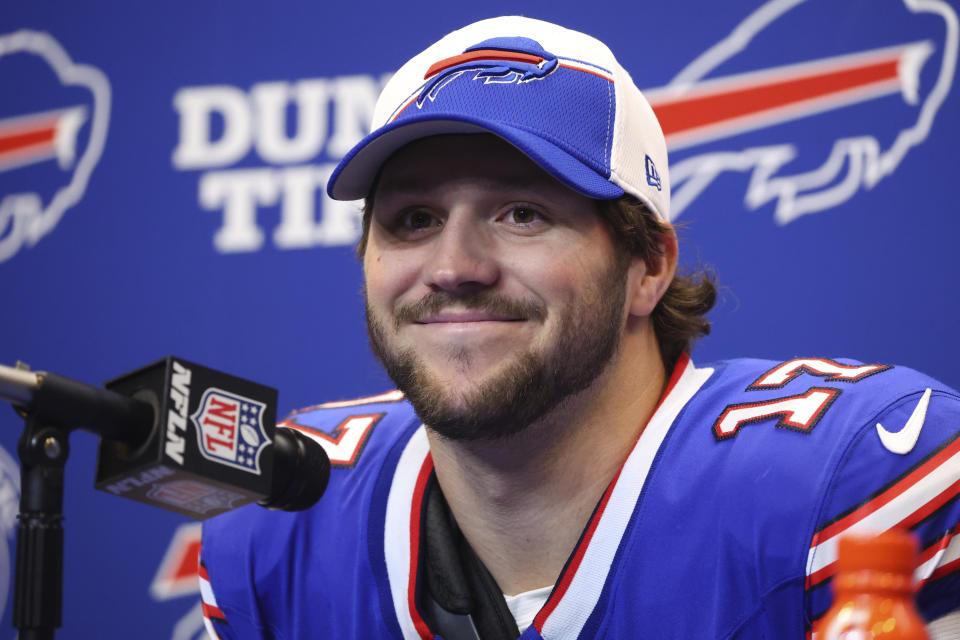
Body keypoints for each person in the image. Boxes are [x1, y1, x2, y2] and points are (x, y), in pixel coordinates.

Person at [199, 16, 960, 639]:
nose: (455, 265)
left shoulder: (859, 479)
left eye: (521, 214)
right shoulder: (285, 521)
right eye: (414, 220)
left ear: (648, 265)